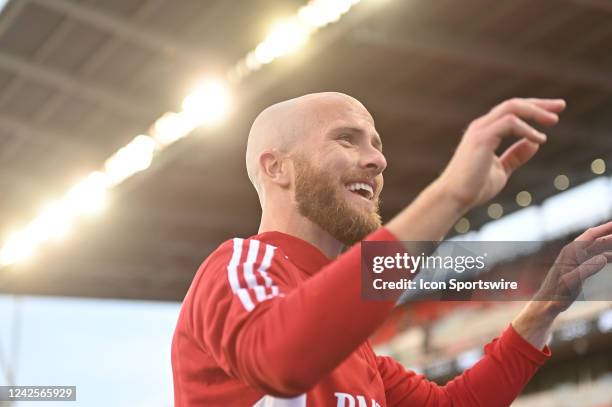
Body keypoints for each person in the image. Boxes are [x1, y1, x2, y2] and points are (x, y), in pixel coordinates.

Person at [171, 92, 611, 406]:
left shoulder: (353, 348)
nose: (378, 160)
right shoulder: (237, 267)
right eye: (346, 139)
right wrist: (449, 196)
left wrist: (545, 307)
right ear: (277, 167)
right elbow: (280, 360)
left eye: (377, 145)